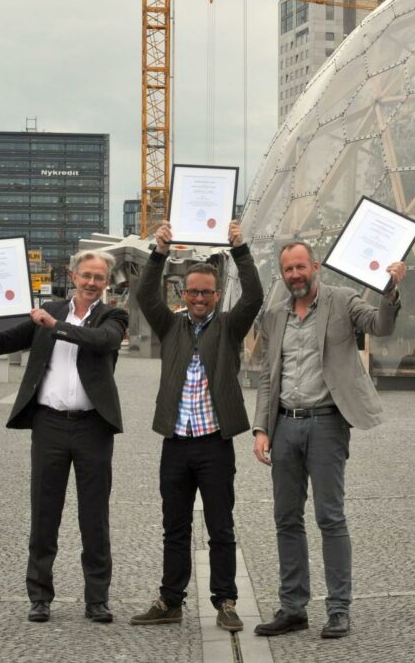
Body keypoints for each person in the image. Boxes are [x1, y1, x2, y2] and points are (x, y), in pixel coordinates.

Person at [0, 250, 127, 625]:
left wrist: (56, 326)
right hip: (49, 425)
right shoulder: (48, 310)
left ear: (106, 282)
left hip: (92, 427)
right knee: (44, 513)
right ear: (73, 274)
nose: (91, 282)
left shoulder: (113, 315)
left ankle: (96, 599)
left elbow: (102, 341)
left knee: (94, 516)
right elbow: (2, 343)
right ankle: (39, 596)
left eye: (99, 277)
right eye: (86, 275)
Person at [251, 242, 406, 640]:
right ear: (282, 274)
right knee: (286, 518)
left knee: (330, 517)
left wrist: (390, 288)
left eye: (300, 267)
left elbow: (381, 325)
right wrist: (261, 429)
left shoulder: (342, 301)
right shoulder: (274, 316)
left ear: (314, 266)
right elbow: (269, 376)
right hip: (284, 425)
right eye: (288, 269)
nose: (295, 275)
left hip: (326, 425)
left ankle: (339, 608)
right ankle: (293, 607)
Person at [129, 219, 263, 632]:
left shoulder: (228, 326)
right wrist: (159, 251)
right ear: (182, 294)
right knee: (175, 527)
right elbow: (144, 294)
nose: (200, 298)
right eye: (193, 292)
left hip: (214, 442)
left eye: (207, 292)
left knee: (220, 526)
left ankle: (225, 601)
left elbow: (255, 296)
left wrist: (239, 248)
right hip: (176, 442)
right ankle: (170, 600)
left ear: (218, 295)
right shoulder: (170, 326)